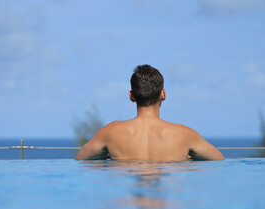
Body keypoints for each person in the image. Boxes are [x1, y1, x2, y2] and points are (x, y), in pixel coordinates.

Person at [75, 64, 224, 161]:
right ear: (163, 94)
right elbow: (219, 161)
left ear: (131, 96)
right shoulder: (185, 134)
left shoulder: (111, 132)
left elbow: (80, 161)